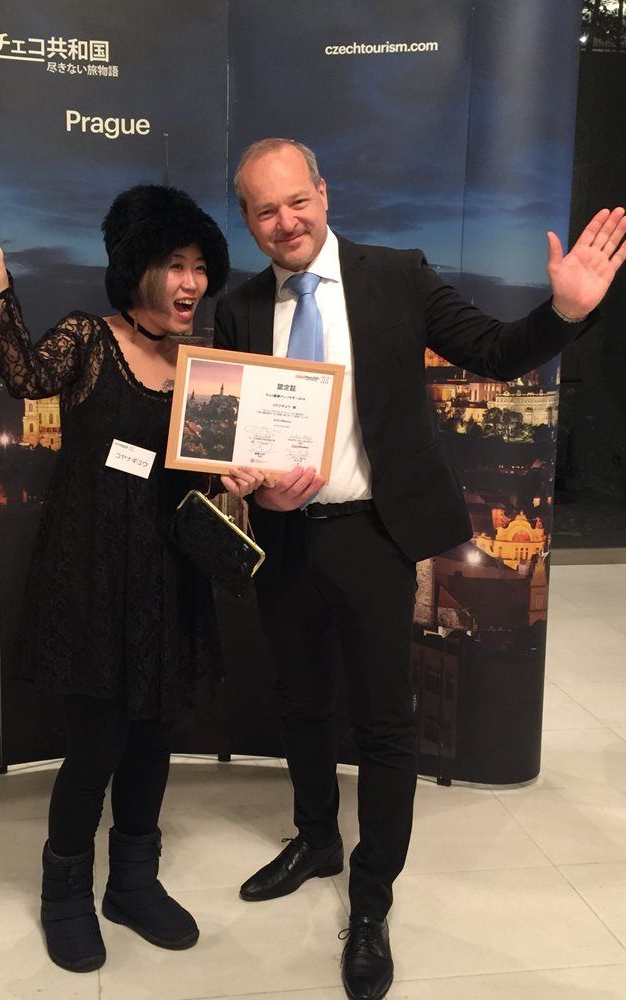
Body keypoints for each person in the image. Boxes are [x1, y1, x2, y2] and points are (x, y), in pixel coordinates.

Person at [214, 137, 626, 1000]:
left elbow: (496, 351)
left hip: (373, 534)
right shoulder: (240, 306)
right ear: (247, 219)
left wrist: (565, 312)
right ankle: (316, 840)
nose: (285, 222)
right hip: (283, 539)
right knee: (298, 700)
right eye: (265, 210)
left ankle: (371, 901)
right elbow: (237, 433)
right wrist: (247, 480)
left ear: (324, 193)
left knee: (382, 723)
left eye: (297, 201)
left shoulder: (396, 274)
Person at [0, 186, 264, 974]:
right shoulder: (88, 340)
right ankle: (64, 892)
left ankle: (133, 883)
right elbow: (25, 377)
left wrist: (235, 480)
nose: (193, 282)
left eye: (201, 266)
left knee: (156, 737)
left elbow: (206, 474)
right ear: (137, 269)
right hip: (92, 573)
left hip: (169, 575)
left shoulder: (202, 366)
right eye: (176, 264)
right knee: (97, 744)